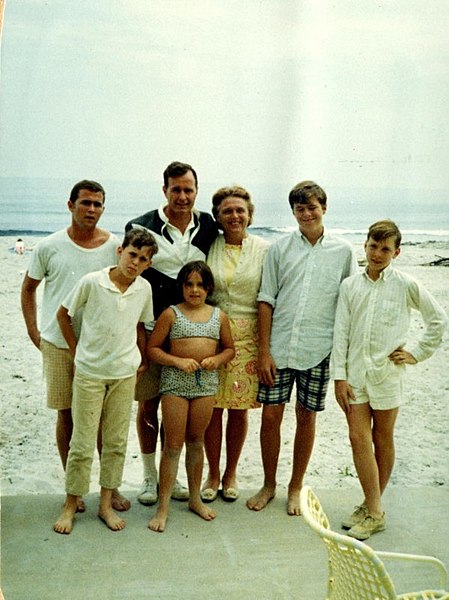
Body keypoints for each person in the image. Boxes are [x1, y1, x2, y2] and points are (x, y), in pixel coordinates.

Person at [247, 180, 358, 515]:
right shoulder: (279, 249)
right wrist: (264, 351)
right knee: (270, 417)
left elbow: (348, 303)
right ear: (293, 212)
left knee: (306, 417)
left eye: (312, 207)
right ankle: (269, 484)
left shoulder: (343, 252)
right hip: (279, 348)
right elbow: (266, 300)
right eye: (300, 208)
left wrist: (343, 358)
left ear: (324, 208)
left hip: (319, 348)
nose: (307, 214)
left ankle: (295, 486)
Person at [331, 219, 447, 540]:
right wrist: (339, 377)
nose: (377, 253)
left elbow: (438, 319)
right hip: (354, 376)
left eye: (385, 249)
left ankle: (373, 507)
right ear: (364, 245)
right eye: (372, 246)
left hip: (388, 375)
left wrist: (415, 352)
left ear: (396, 251)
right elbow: (340, 335)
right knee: (358, 438)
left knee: (382, 438)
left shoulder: (405, 284)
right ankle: (374, 506)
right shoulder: (350, 286)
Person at [21, 180, 130, 512]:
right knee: (67, 414)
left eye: (98, 204)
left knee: (100, 419)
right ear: (71, 205)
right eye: (85, 203)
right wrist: (33, 331)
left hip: (101, 347)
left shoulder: (114, 246)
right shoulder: (49, 246)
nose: (92, 210)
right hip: (59, 344)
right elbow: (29, 289)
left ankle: (108, 490)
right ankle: (75, 489)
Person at [125, 161, 218, 506]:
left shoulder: (208, 225)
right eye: (176, 189)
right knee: (149, 406)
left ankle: (174, 477)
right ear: (164, 189)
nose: (182, 196)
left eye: (188, 190)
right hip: (151, 331)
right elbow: (129, 273)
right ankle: (150, 478)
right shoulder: (141, 226)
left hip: (192, 335)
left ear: (196, 191)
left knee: (181, 413)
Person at [53, 229, 157, 534]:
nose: (135, 263)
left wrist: (142, 358)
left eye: (143, 260)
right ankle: (71, 504)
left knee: (115, 441)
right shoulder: (92, 281)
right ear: (120, 251)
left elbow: (139, 325)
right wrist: (76, 351)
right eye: (132, 255)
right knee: (82, 441)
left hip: (124, 373)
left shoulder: (144, 289)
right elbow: (63, 315)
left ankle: (106, 504)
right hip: (90, 372)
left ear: (148, 264)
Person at [147, 261, 235, 532]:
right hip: (175, 384)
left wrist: (216, 359)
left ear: (208, 288)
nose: (194, 290)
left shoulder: (218, 316)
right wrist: (176, 361)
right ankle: (163, 506)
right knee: (172, 445)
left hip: (205, 385)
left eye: (200, 285)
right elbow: (153, 349)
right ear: (182, 287)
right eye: (189, 284)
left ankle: (195, 499)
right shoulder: (171, 314)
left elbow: (230, 349)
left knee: (196, 441)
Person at [202, 186, 269, 502]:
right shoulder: (208, 246)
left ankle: (231, 473)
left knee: (239, 409)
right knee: (212, 408)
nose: (234, 216)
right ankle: (212, 473)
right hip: (212, 334)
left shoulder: (264, 249)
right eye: (227, 211)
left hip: (249, 337)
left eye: (240, 210)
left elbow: (270, 297)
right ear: (217, 216)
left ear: (250, 214)